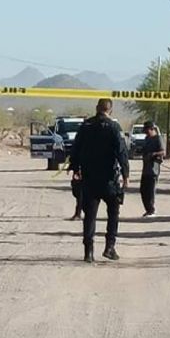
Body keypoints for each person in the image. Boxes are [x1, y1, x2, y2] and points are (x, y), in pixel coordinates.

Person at [69, 98, 130, 262]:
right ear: (110, 110)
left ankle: (88, 252)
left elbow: (76, 149)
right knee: (113, 213)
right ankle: (109, 247)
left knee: (89, 216)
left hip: (89, 178)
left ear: (97, 108)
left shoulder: (85, 126)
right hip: (109, 179)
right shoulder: (113, 127)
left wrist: (75, 169)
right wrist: (125, 175)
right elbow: (121, 152)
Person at [140, 121, 165, 217]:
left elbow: (162, 151)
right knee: (143, 190)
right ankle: (147, 209)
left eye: (147, 130)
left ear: (152, 129)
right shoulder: (147, 139)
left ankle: (151, 210)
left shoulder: (158, 139)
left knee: (150, 191)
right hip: (145, 168)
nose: (146, 132)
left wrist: (153, 154)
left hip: (153, 169)